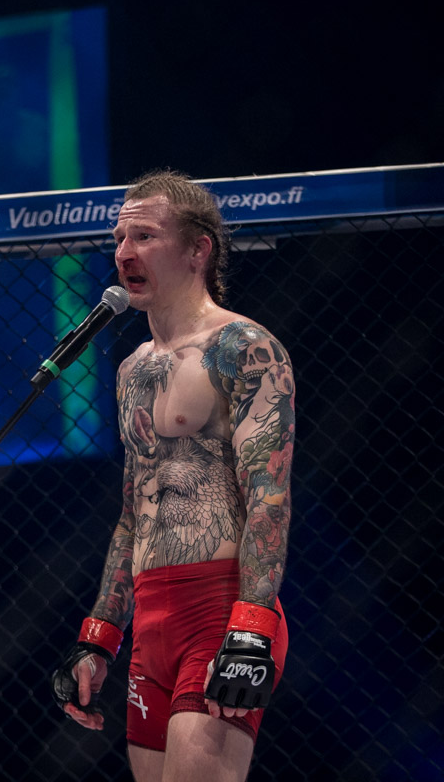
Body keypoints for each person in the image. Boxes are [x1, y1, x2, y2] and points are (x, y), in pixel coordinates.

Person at [50, 170, 294, 781]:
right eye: (119, 238)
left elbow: (268, 495)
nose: (124, 253)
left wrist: (252, 628)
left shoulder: (245, 347)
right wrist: (99, 635)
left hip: (218, 608)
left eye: (144, 237)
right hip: (151, 619)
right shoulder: (132, 368)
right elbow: (133, 513)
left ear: (197, 250)